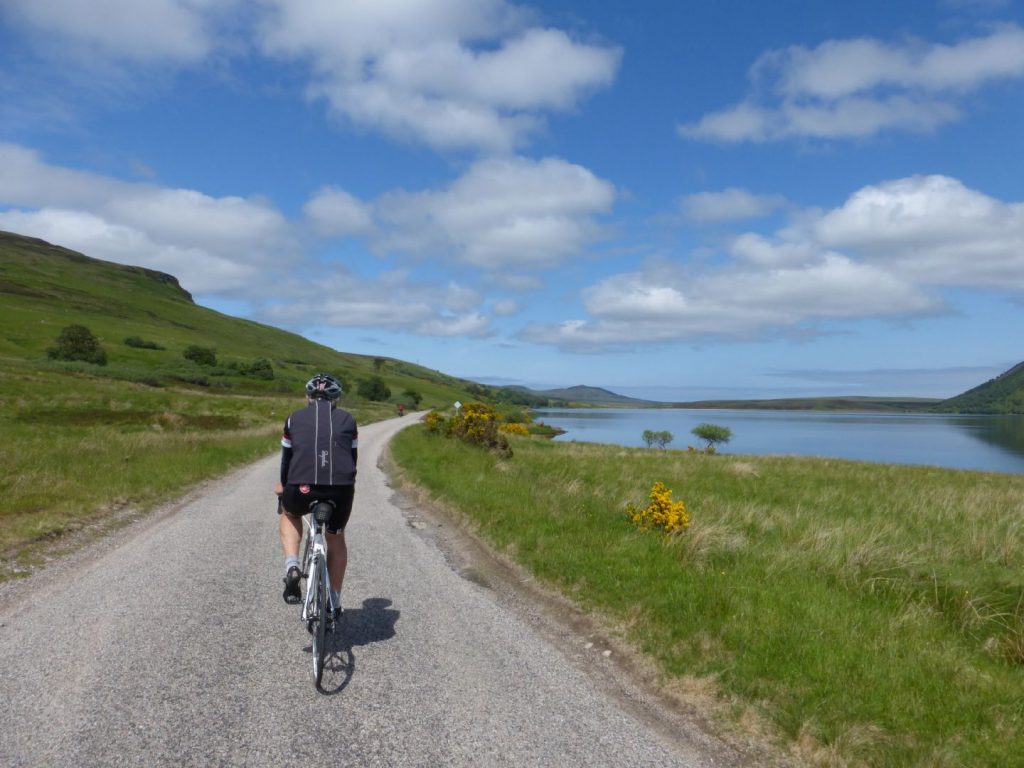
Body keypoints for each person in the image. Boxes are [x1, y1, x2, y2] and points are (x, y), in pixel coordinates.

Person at [274, 373, 357, 619]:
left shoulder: (293, 419)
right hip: (339, 489)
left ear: (308, 397)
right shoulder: (348, 420)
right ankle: (333, 599)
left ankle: (292, 566)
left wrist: (282, 486)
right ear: (336, 398)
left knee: (290, 514)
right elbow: (352, 460)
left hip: (301, 487)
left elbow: (286, 460)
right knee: (336, 538)